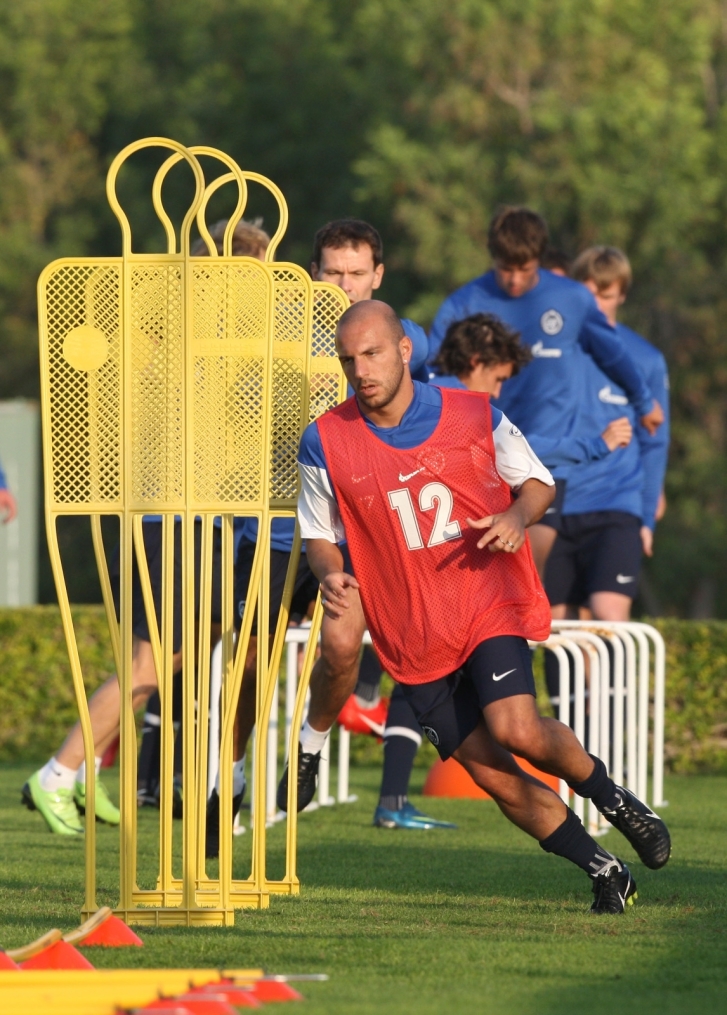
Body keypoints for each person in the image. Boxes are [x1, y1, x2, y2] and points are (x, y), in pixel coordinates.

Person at [292, 298, 670, 914]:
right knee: (493, 775)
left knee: (515, 728)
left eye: (373, 353)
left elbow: (538, 483)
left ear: (405, 350)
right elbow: (318, 536)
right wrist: (332, 575)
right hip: (411, 636)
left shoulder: (472, 413)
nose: (361, 370)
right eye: (349, 359)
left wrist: (519, 517)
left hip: (481, 602)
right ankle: (603, 869)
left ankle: (612, 797)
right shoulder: (324, 440)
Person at [23, 218, 265, 837]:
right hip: (169, 515)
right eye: (244, 277)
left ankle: (78, 774)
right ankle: (56, 772)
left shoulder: (223, 333)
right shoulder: (178, 331)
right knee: (149, 667)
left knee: (178, 652)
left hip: (206, 512)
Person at [207, 218, 438, 854]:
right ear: (313, 274)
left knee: (341, 649)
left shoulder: (402, 338)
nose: (343, 284)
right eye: (332, 272)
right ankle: (228, 779)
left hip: (358, 529)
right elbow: (233, 410)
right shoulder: (279, 330)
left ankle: (307, 751)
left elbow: (425, 420)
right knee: (250, 660)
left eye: (356, 272)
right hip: (279, 522)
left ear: (378, 276)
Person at [360, 312, 632, 831]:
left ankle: (391, 795)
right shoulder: (451, 408)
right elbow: (534, 456)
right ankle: (368, 715)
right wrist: (595, 445)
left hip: (428, 587)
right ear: (479, 364)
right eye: (501, 377)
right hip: (444, 584)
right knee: (493, 719)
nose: (500, 388)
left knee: (429, 689)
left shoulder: (415, 398)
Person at [428, 207, 664, 579]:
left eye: (526, 269)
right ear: (493, 258)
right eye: (507, 269)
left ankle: (521, 637)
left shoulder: (571, 299)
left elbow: (613, 353)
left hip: (546, 459)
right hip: (479, 457)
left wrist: (642, 400)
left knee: (528, 566)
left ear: (539, 260)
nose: (516, 280)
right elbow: (435, 377)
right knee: (472, 566)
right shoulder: (463, 304)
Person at [544, 246, 670, 623]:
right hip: (559, 502)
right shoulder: (553, 350)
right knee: (558, 620)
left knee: (607, 611)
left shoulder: (644, 358)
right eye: (589, 293)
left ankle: (619, 687)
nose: (597, 303)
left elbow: (655, 442)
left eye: (607, 294)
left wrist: (646, 518)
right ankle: (576, 688)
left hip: (617, 503)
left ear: (623, 295)